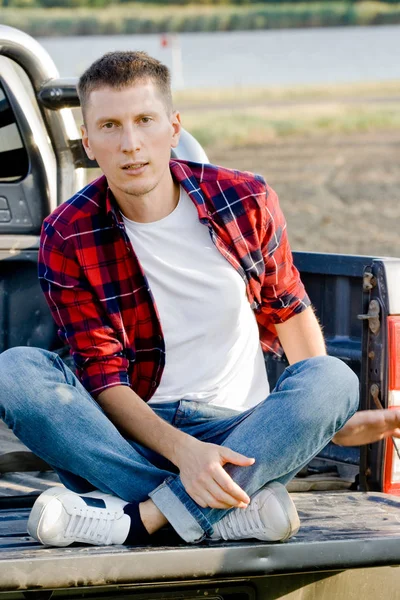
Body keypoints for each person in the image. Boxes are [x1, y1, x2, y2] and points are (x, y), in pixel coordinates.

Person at [0, 51, 399, 549]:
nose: (130, 144)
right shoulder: (67, 233)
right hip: (128, 439)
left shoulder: (243, 199)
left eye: (145, 120)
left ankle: (136, 520)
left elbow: (289, 312)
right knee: (16, 372)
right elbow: (104, 379)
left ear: (173, 126)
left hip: (241, 433)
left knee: (333, 379)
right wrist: (186, 454)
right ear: (88, 141)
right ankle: (226, 512)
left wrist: (331, 420)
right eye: (109, 126)